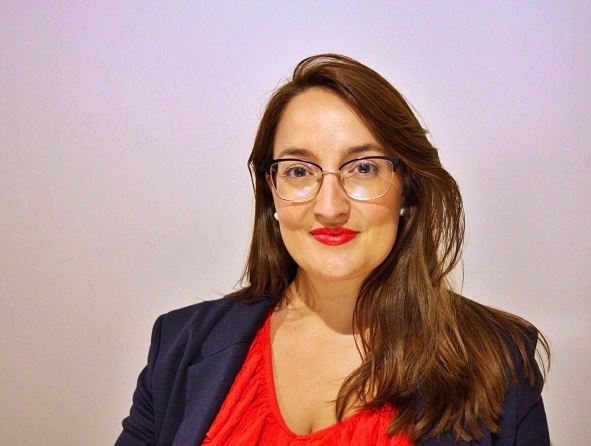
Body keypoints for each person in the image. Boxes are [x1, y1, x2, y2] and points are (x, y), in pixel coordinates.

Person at [116, 54, 550, 446]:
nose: (329, 206)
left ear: (407, 188)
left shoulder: (499, 359)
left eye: (363, 167)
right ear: (271, 191)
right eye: (299, 171)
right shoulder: (180, 343)